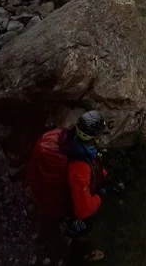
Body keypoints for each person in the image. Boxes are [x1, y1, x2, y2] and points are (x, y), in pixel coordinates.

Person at [26, 111, 119, 264]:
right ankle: (80, 254)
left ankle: (46, 233)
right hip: (60, 204)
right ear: (93, 137)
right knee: (82, 226)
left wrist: (103, 176)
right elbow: (83, 209)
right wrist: (101, 194)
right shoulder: (79, 166)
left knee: (49, 220)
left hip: (42, 192)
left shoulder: (57, 136)